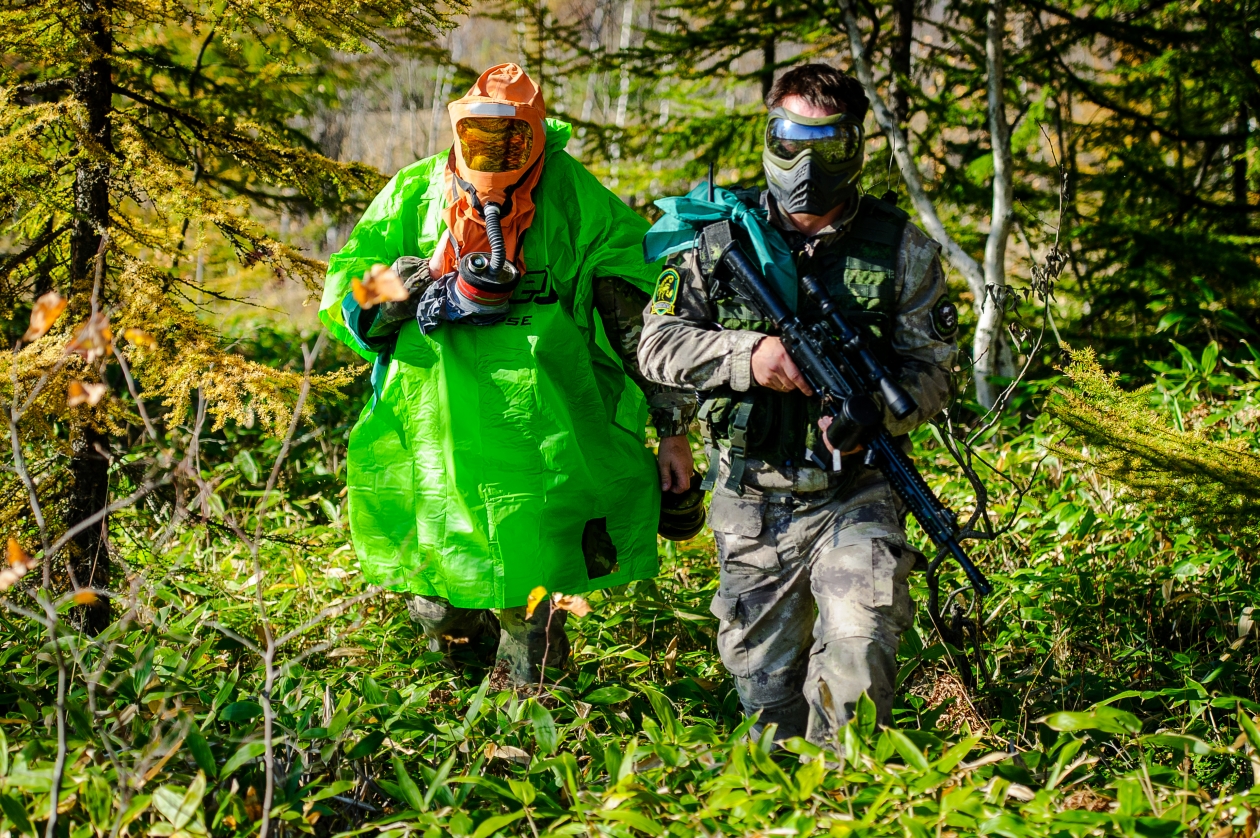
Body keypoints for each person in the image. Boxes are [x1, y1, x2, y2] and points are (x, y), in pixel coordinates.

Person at [318, 64, 694, 686]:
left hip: (542, 441)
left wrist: (672, 427)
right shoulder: (415, 197)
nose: (495, 157)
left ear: (536, 135)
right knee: (437, 599)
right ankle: (466, 706)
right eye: (481, 141)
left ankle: (531, 735)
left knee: (533, 604)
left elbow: (638, 313)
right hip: (437, 439)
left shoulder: (573, 199)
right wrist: (391, 289)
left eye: (511, 142)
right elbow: (346, 285)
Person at [637, 63, 959, 743]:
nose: (807, 165)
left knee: (858, 648)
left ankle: (842, 802)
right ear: (768, 138)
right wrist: (748, 358)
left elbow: (932, 372)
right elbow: (657, 346)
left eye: (828, 146)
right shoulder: (720, 236)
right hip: (753, 498)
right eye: (791, 141)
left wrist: (877, 412)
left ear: (857, 148)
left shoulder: (900, 247)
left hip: (857, 492)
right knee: (766, 699)